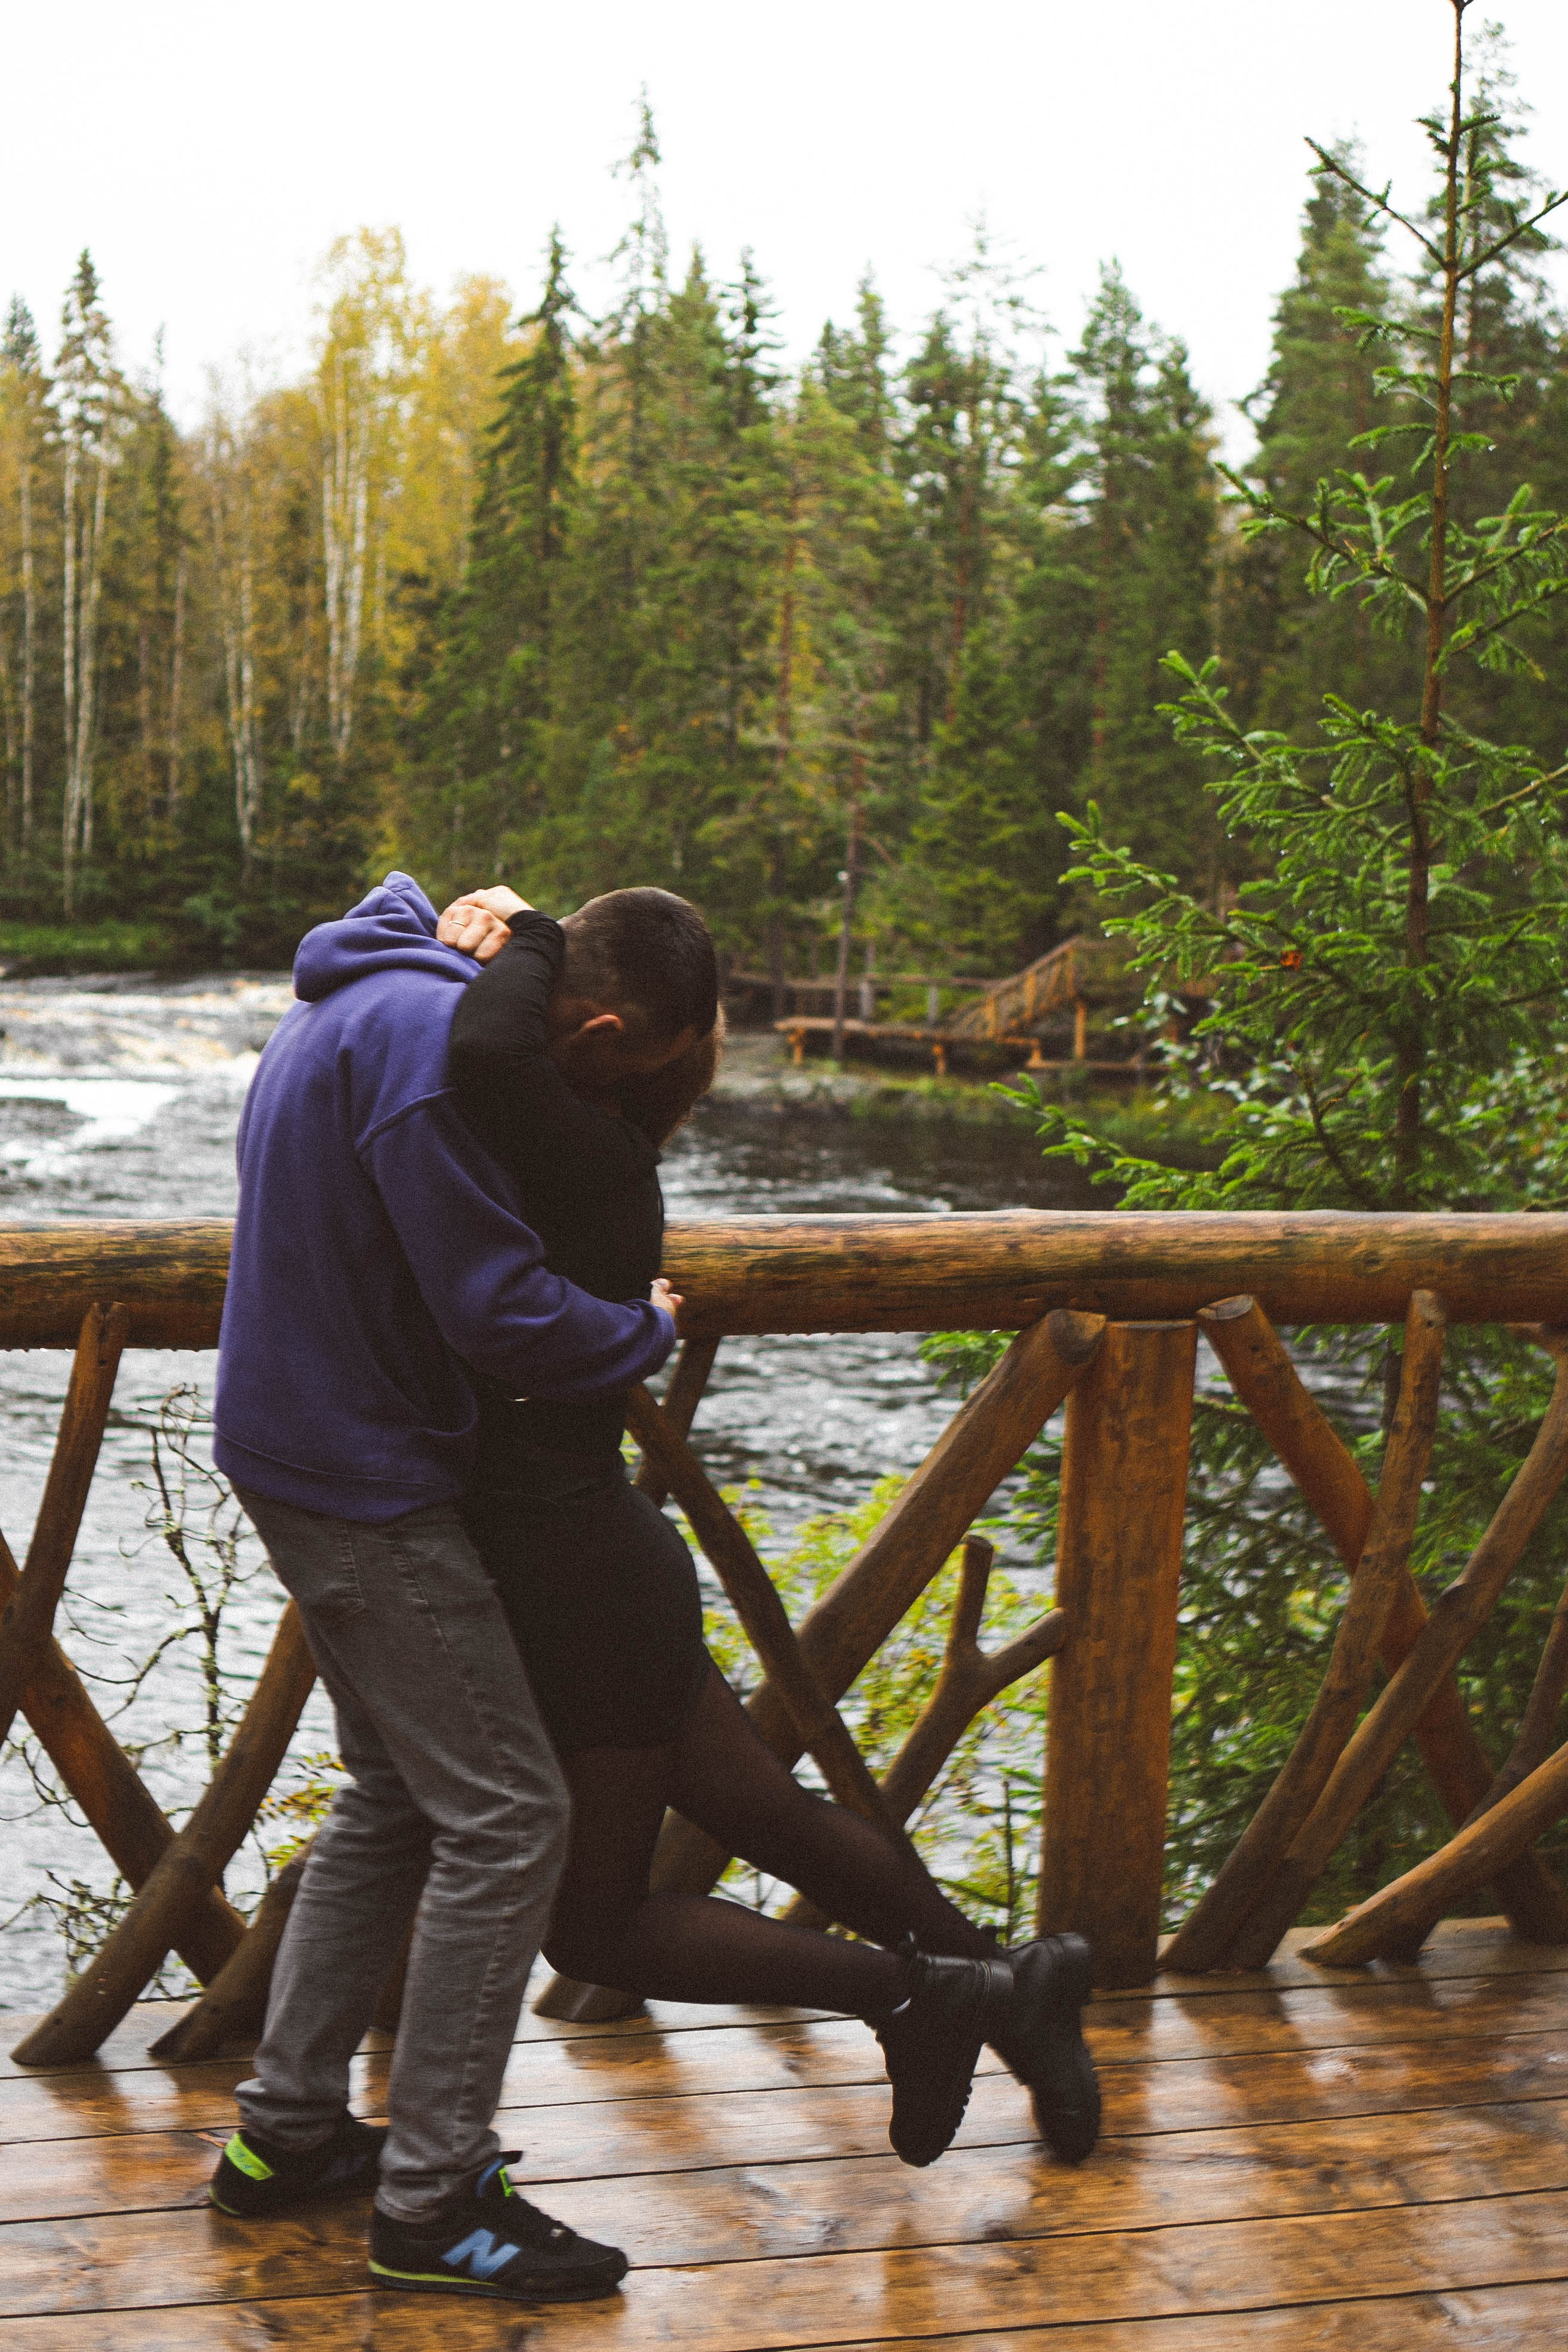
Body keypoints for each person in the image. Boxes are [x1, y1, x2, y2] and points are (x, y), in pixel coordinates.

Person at [435, 880, 1101, 2176]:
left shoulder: (571, 1138)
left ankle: (913, 1998)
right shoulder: (598, 1142)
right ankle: (1014, 1995)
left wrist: (519, 930)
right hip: (601, 1559)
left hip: (570, 1573)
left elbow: (477, 1046)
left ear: (600, 1030)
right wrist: (534, 945)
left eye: (558, 986)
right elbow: (499, 1043)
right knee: (776, 1819)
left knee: (597, 1929)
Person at [204, 870, 695, 2309]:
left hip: (298, 1434)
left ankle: (285, 2137)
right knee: (509, 1808)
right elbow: (495, 1308)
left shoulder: (365, 983)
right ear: (590, 1026)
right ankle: (433, 2204)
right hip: (362, 1467)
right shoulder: (428, 1058)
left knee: (399, 1793)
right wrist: (634, 1329)